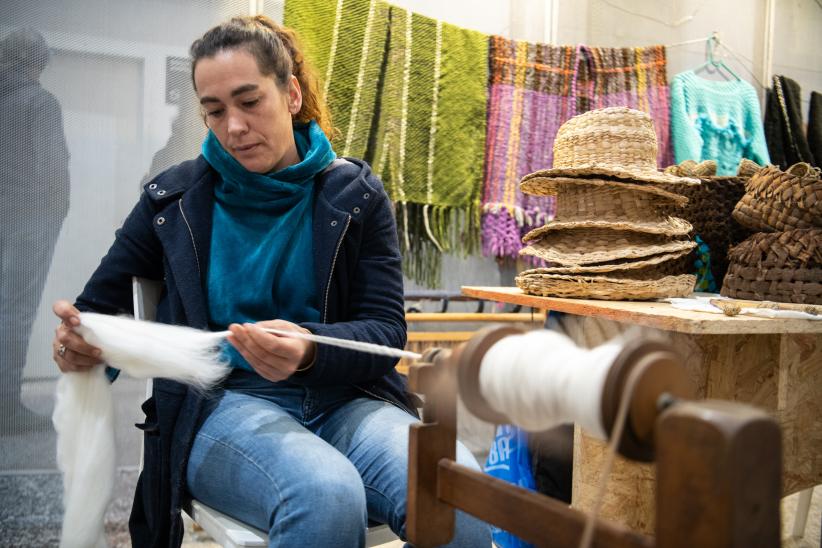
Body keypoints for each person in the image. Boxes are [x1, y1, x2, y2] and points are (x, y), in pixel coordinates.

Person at [52, 15, 489, 548]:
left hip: (345, 402)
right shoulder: (171, 202)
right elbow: (99, 311)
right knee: (324, 494)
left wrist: (310, 352)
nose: (233, 126)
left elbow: (384, 332)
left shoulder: (355, 195)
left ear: (292, 94)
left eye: (249, 101)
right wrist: (82, 346)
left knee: (456, 488)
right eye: (214, 111)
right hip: (216, 409)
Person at [1, 27, 70, 435]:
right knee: (15, 312)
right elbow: (50, 166)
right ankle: (7, 409)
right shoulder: (38, 102)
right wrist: (58, 211)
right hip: (30, 220)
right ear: (37, 60)